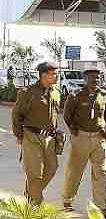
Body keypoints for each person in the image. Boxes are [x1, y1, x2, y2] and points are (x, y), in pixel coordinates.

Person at [61, 65, 106, 217]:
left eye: (97, 77)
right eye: (91, 77)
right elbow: (67, 116)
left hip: (99, 139)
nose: (95, 80)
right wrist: (74, 131)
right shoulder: (75, 95)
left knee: (101, 172)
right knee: (74, 171)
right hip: (81, 138)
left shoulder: (105, 95)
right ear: (85, 79)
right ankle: (67, 201)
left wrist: (103, 126)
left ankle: (102, 206)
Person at [11, 61, 61, 205]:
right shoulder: (27, 92)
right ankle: (35, 204)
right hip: (31, 136)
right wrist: (20, 136)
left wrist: (56, 132)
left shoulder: (56, 92)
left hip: (50, 138)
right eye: (54, 74)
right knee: (34, 173)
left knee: (52, 168)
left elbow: (54, 115)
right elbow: (16, 115)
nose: (57, 76)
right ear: (44, 75)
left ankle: (31, 192)